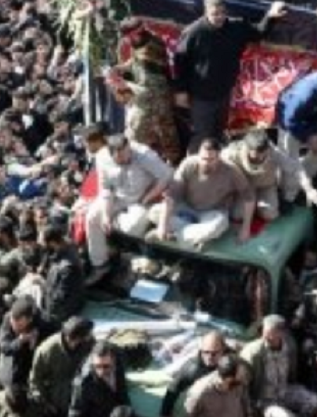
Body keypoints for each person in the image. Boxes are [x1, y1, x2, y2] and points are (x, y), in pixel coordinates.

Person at [172, 0, 290, 144]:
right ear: (206, 13)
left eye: (222, 13)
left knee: (219, 133)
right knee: (202, 139)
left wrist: (271, 16)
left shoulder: (236, 27)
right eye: (215, 14)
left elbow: (258, 32)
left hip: (224, 94)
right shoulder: (194, 32)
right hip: (201, 97)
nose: (219, 17)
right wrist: (180, 91)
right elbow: (180, 62)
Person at [82, 134, 175, 278]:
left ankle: (117, 246)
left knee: (133, 227)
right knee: (92, 218)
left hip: (142, 198)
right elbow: (105, 188)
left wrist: (150, 195)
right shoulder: (101, 157)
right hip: (117, 197)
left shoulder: (144, 155)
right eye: (119, 158)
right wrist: (106, 215)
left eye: (126, 154)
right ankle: (100, 265)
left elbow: (167, 174)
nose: (124, 159)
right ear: (110, 152)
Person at [104, 34, 184, 165]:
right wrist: (120, 68)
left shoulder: (151, 51)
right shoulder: (140, 47)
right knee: (160, 135)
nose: (128, 41)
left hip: (155, 105)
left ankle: (172, 162)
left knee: (160, 135)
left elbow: (147, 92)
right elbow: (135, 61)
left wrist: (124, 83)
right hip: (147, 106)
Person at [223, 129, 317, 227]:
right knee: (237, 215)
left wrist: (309, 190)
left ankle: (271, 199)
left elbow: (296, 168)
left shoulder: (273, 152)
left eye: (264, 153)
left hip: (266, 186)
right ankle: (250, 206)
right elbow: (218, 165)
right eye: (257, 154)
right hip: (245, 188)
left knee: (270, 215)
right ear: (247, 148)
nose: (261, 157)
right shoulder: (233, 153)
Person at [167, 137, 255, 244]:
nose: (206, 163)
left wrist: (245, 229)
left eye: (211, 159)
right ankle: (193, 232)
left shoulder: (231, 170)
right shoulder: (188, 164)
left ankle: (176, 237)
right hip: (187, 207)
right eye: (203, 158)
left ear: (219, 158)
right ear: (198, 155)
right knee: (155, 213)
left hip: (213, 213)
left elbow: (249, 197)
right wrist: (162, 225)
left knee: (216, 228)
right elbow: (172, 194)